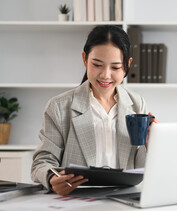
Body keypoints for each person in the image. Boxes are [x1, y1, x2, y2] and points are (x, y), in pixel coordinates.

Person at [31, 25, 158, 196]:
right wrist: (52, 179)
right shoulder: (59, 107)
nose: (105, 75)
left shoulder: (136, 104)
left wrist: (151, 144)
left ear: (127, 65)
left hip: (123, 197)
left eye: (115, 67)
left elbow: (139, 168)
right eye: (97, 64)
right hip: (76, 200)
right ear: (85, 59)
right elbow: (42, 162)